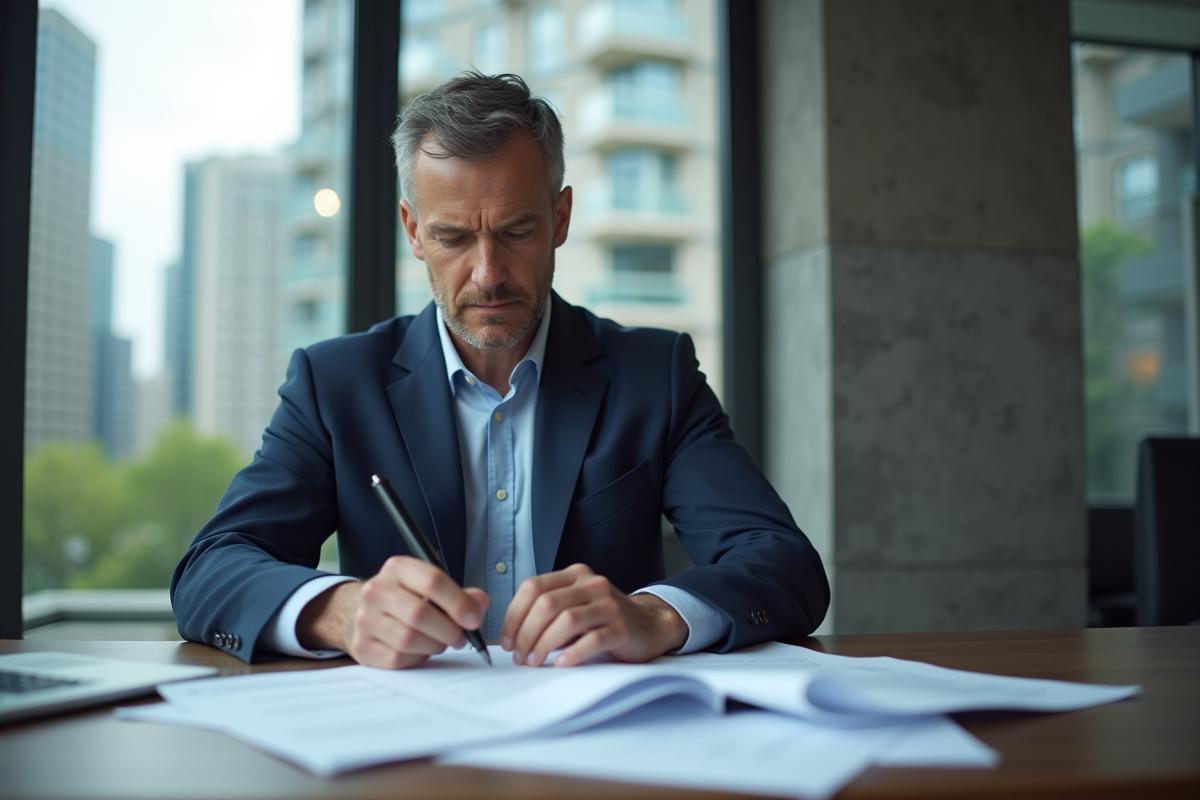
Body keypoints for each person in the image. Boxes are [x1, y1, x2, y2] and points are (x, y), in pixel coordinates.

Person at [171, 71, 828, 670]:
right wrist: (338, 611)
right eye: (453, 237)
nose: (487, 275)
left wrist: (654, 615)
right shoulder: (334, 384)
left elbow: (786, 566)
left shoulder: (655, 374)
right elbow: (211, 571)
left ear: (561, 219)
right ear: (412, 230)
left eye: (516, 232)